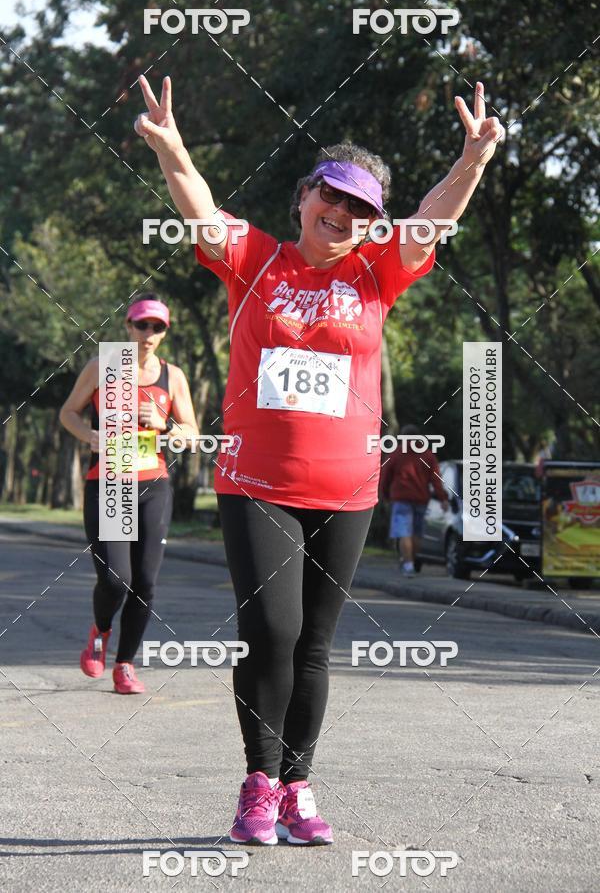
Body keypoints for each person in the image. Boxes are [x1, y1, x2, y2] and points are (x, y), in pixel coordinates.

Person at [134, 75, 503, 844]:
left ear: (373, 224)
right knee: (271, 628)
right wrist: (172, 148)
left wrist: (471, 160)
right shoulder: (255, 262)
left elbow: (434, 216)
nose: (341, 216)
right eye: (330, 199)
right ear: (304, 197)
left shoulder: (378, 273)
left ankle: (299, 787)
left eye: (360, 210)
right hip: (256, 483)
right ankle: (257, 783)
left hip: (347, 490)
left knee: (313, 645)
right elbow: (199, 208)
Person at [59, 293, 198, 693]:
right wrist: (90, 436)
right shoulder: (105, 365)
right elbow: (68, 411)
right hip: (109, 480)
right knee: (117, 579)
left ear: (164, 332)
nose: (148, 334)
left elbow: (193, 435)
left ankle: (124, 664)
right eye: (141, 325)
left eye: (157, 327)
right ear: (127, 326)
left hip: (153, 483)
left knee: (146, 582)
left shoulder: (173, 376)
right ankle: (100, 632)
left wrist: (166, 423)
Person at [379, 424, 449, 575]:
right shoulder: (428, 455)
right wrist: (442, 498)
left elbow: (385, 477)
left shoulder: (395, 454)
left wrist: (384, 495)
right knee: (417, 533)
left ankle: (408, 564)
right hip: (421, 499)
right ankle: (411, 561)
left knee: (404, 532)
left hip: (401, 498)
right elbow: (436, 479)